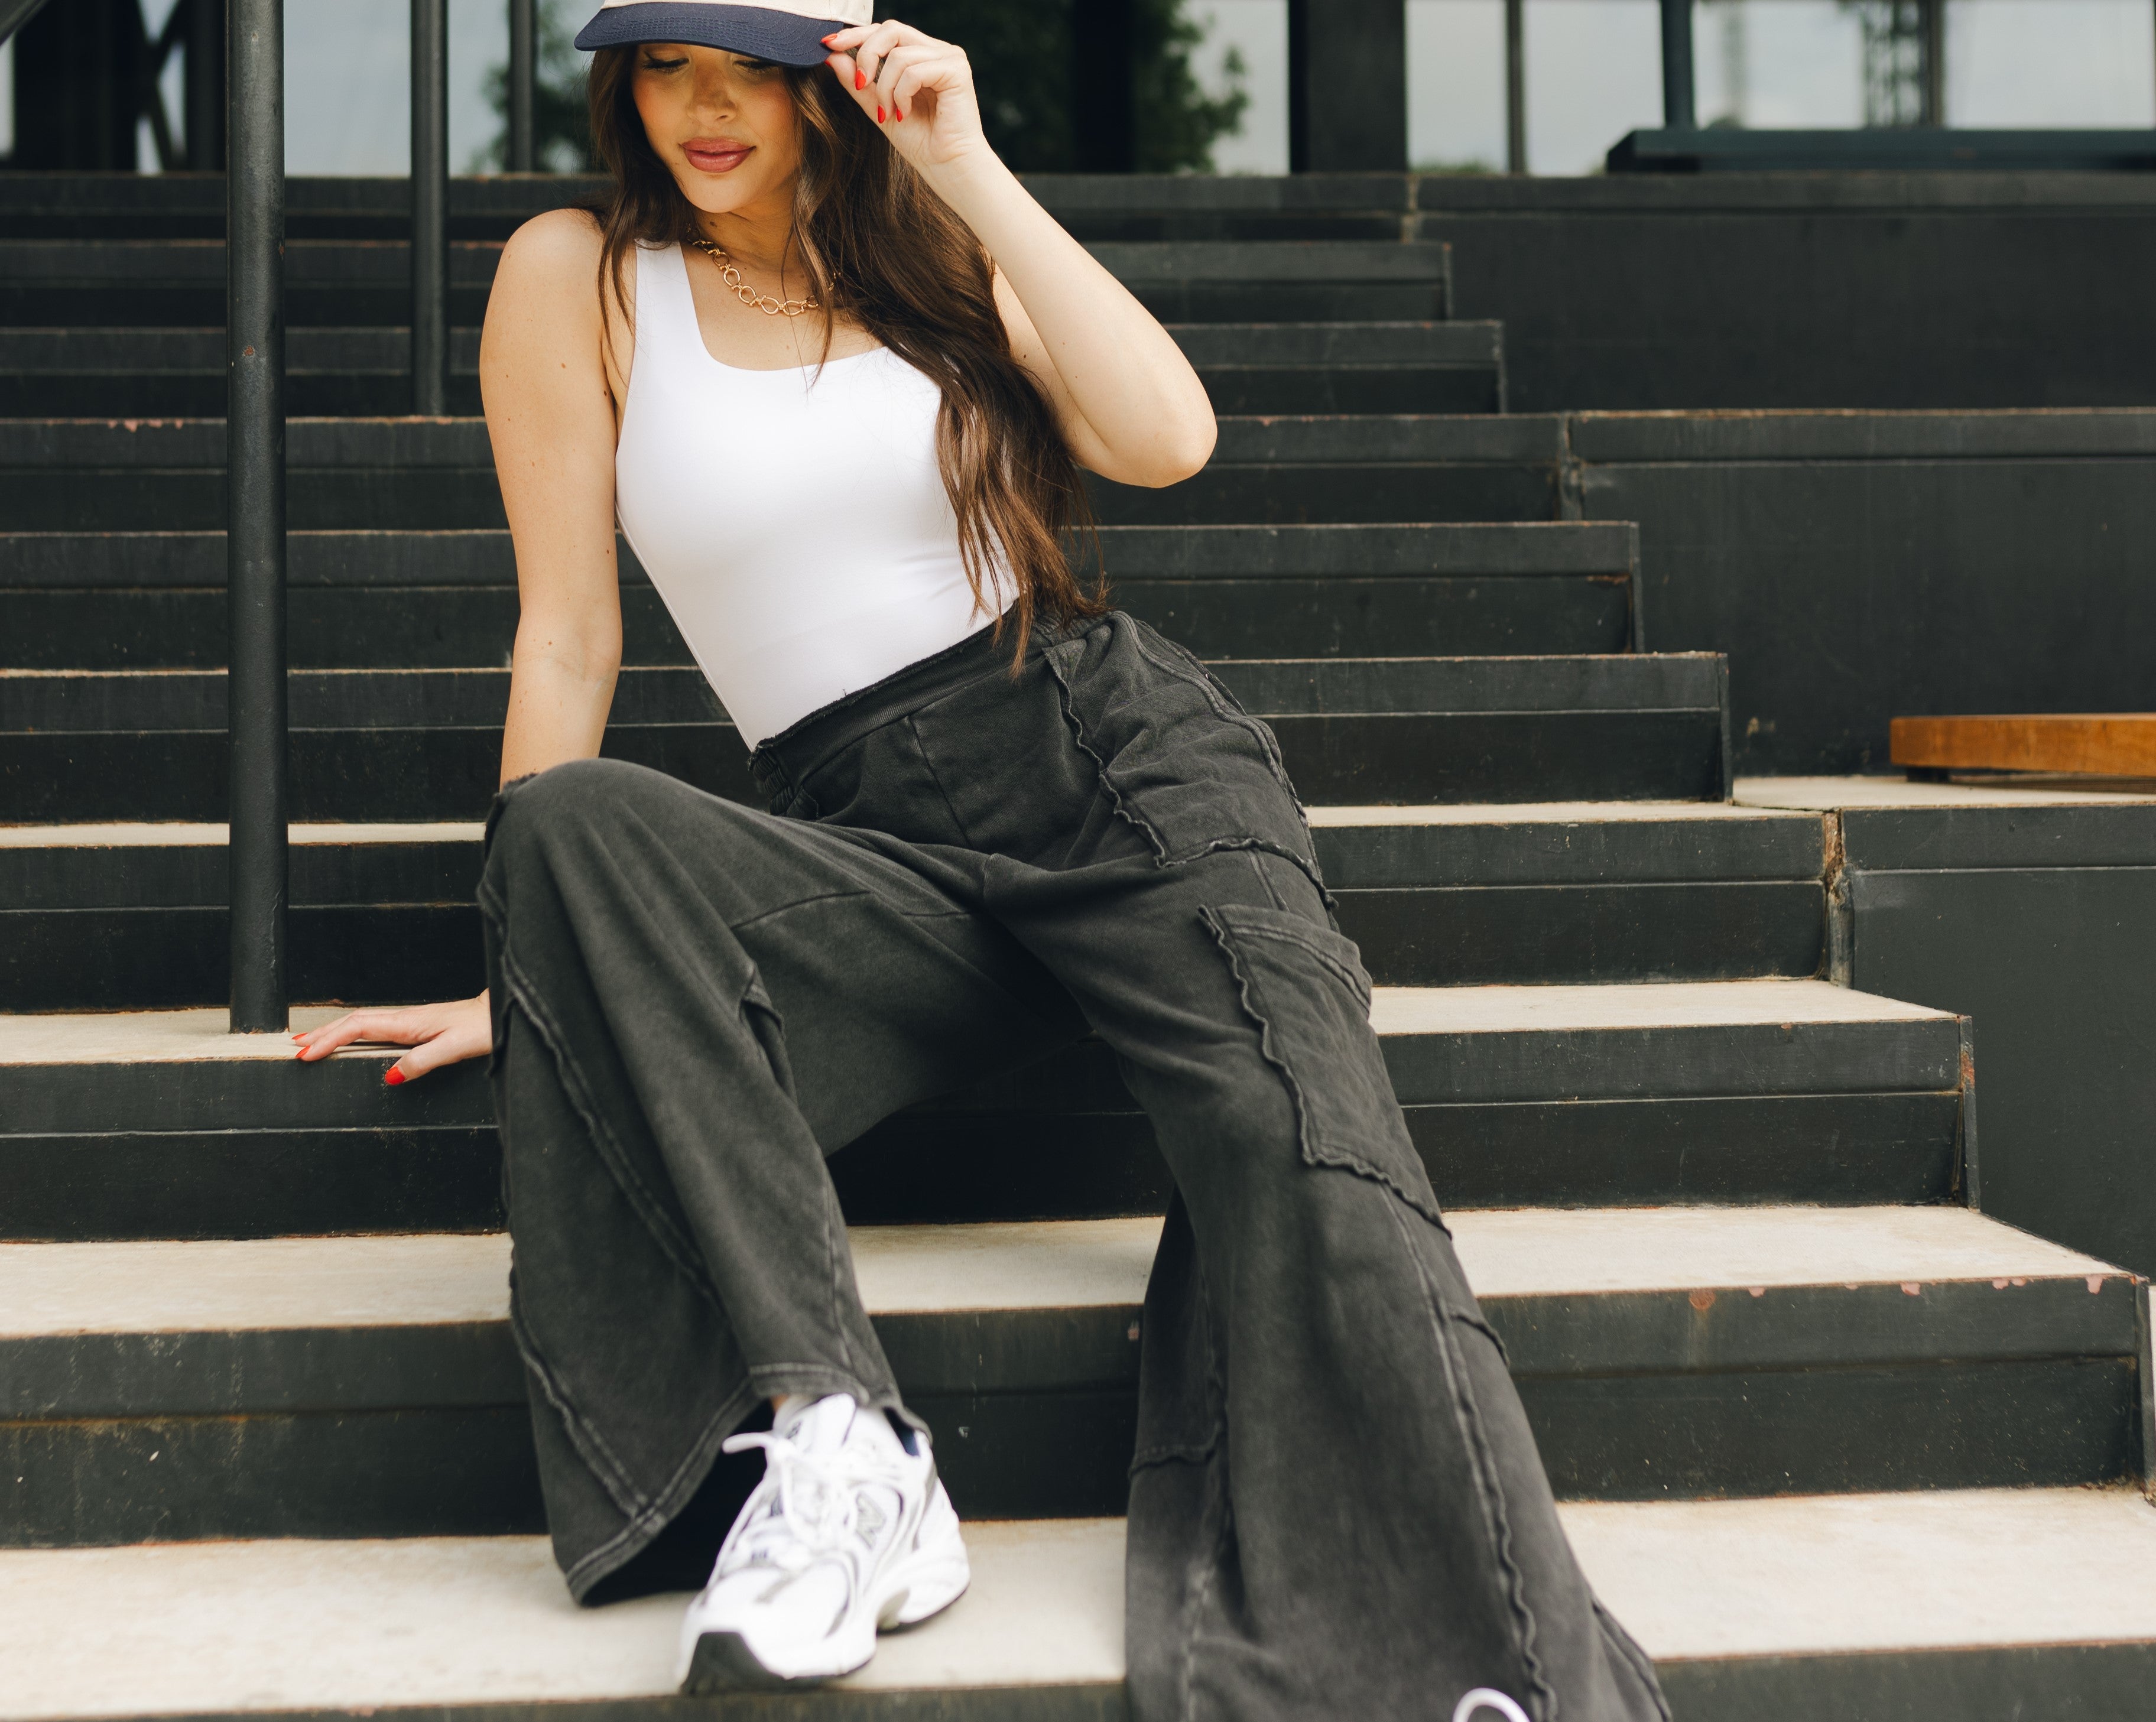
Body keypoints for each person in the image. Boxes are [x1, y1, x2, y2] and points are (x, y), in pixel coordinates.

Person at [296, 4, 1670, 1716]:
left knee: (1293, 1143)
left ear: (834, 83)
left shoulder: (938, 242)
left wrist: (961, 156)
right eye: (666, 64)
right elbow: (567, 635)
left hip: (1105, 759)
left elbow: (1165, 437)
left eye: (754, 66)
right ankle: (843, 1446)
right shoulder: (576, 275)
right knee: (568, 830)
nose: (705, 106)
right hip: (861, 839)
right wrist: (550, 958)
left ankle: (1491, 1680)